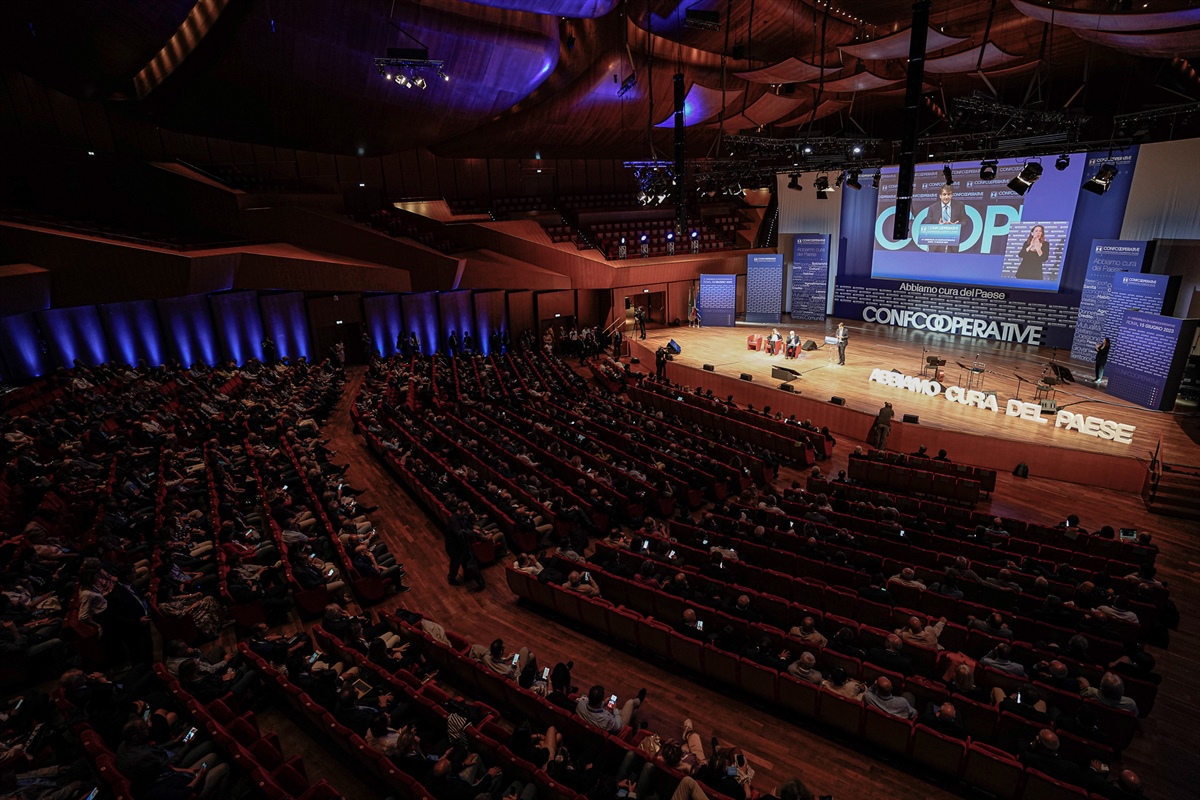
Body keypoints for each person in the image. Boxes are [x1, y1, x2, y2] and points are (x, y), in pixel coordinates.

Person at [576, 684, 645, 733]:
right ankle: (639, 700)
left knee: (634, 712)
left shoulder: (580, 704)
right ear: (600, 700)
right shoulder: (605, 719)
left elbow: (592, 706)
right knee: (630, 703)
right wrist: (615, 709)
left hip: (593, 723)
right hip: (618, 725)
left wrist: (603, 704)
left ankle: (637, 728)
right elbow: (618, 726)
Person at [925, 184, 967, 253]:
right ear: (940, 196)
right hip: (936, 243)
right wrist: (938, 226)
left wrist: (955, 226)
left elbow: (964, 221)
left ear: (952, 195)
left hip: (952, 241)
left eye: (949, 194)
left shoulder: (959, 205)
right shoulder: (932, 208)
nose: (946, 197)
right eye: (944, 194)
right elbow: (927, 224)